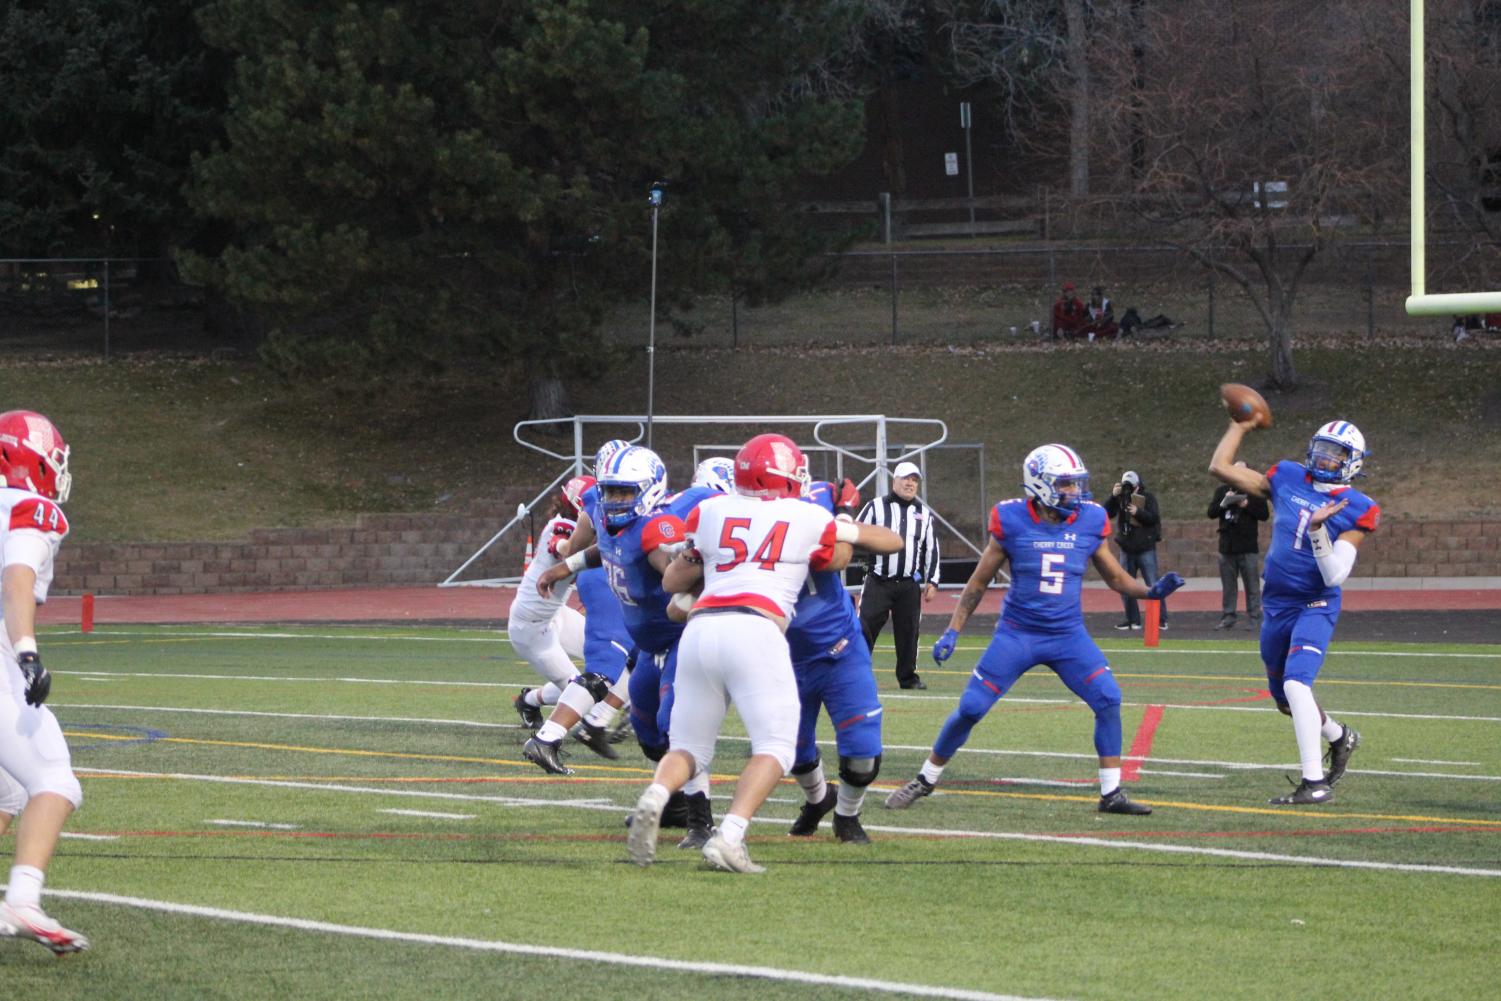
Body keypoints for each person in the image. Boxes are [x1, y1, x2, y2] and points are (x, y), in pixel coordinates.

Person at [626, 434, 896, 874]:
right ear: (789, 477)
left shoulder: (711, 510)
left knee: (690, 746)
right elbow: (879, 544)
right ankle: (729, 837)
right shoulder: (807, 514)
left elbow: (673, 584)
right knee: (775, 746)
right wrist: (845, 518)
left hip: (700, 630)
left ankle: (655, 795)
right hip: (756, 626)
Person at [883, 444, 1183, 817]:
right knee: (971, 708)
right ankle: (925, 779)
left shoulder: (1089, 520)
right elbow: (978, 583)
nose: (1076, 492)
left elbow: (1117, 578)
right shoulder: (1010, 519)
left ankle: (1110, 794)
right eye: (1066, 484)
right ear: (1040, 485)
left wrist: (1150, 592)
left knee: (1108, 698)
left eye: (1076, 484)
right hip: (1018, 634)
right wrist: (953, 630)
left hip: (1067, 636)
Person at [536, 445, 723, 847]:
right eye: (610, 491)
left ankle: (701, 822)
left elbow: (679, 573)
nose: (615, 500)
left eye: (624, 492)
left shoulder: (657, 529)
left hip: (681, 641)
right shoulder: (608, 521)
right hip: (649, 645)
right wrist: (561, 568)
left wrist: (691, 597)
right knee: (647, 731)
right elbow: (601, 549)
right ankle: (673, 804)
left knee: (677, 727)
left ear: (649, 489)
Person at [1210, 418, 1377, 805]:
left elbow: (1334, 575)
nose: (1326, 459)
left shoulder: (1357, 508)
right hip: (1277, 604)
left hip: (1315, 603)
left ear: (1352, 463)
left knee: (1296, 684)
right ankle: (1339, 736)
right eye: (1322, 449)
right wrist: (1239, 425)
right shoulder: (1286, 476)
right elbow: (1220, 467)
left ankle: (1314, 784)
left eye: (1337, 455)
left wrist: (1319, 531)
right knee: (1286, 700)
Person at [0, 410, 89, 953]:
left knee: (7, 789)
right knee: (55, 777)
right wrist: (28, 652)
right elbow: (17, 578)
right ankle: (24, 899)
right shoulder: (31, 509)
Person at [784, 477, 902, 844]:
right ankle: (819, 800)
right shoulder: (738, 529)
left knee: (863, 751)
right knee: (792, 751)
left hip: (839, 649)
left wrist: (843, 521)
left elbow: (891, 541)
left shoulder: (811, 514)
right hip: (781, 657)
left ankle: (847, 817)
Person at [508, 475, 594, 729]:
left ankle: (531, 700)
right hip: (532, 627)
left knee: (607, 670)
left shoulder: (578, 524)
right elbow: (565, 548)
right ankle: (531, 704)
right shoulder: (564, 526)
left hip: (557, 614)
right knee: (584, 695)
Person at [856, 461, 940, 690]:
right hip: (878, 581)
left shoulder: (924, 514)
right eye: (905, 478)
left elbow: (931, 548)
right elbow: (856, 532)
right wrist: (859, 565)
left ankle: (908, 677)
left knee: (909, 632)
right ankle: (855, 675)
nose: (910, 483)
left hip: (908, 585)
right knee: (864, 629)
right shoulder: (874, 507)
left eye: (914, 480)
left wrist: (932, 580)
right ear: (895, 481)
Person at [1102, 470, 1167, 630]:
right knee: (1125, 584)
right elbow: (1106, 513)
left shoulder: (1148, 497)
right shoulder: (1120, 497)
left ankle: (1159, 619)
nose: (1128, 488)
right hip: (1127, 547)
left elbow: (1154, 518)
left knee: (1152, 584)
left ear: (1137, 484)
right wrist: (1113, 496)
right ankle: (1132, 620)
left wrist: (1137, 512)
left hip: (1145, 547)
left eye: (1130, 485)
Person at [1207, 462, 1269, 630]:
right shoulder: (1222, 491)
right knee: (1228, 584)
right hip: (1227, 546)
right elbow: (1211, 513)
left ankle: (1254, 616)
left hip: (1248, 546)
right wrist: (1224, 502)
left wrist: (1247, 505)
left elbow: (1264, 515)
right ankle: (1228, 616)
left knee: (1252, 584)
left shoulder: (1255, 491)